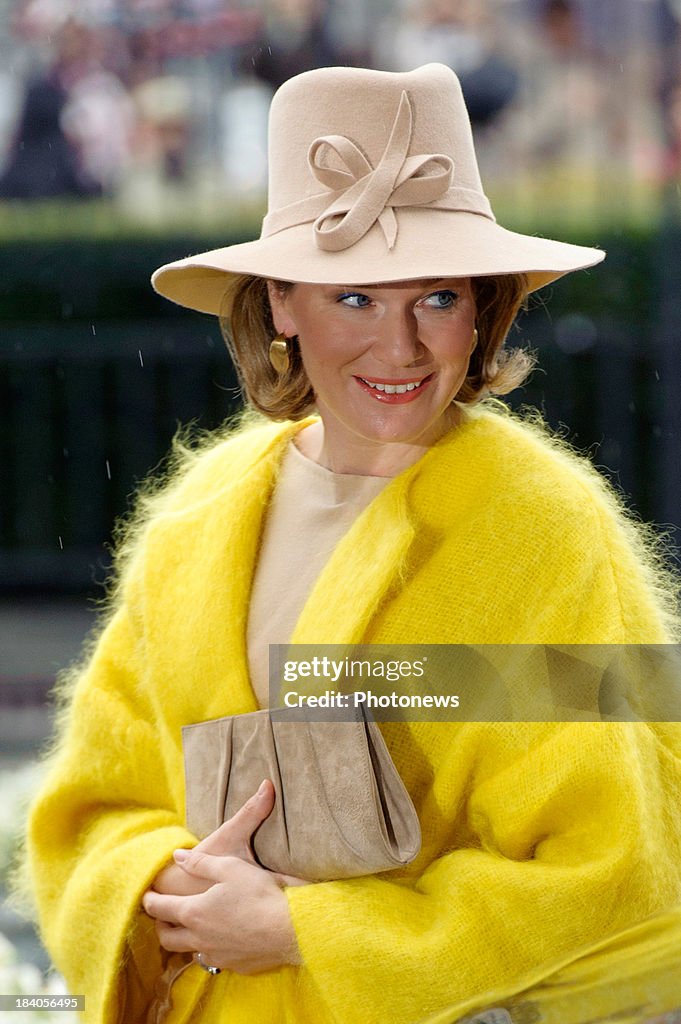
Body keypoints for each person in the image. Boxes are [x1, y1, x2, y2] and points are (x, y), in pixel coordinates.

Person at [24, 63, 681, 1024]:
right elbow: (90, 809)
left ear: (482, 305)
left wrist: (306, 931)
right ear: (281, 305)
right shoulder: (194, 521)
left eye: (438, 298)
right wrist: (167, 892)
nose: (403, 347)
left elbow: (618, 861)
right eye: (356, 299)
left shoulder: (547, 526)